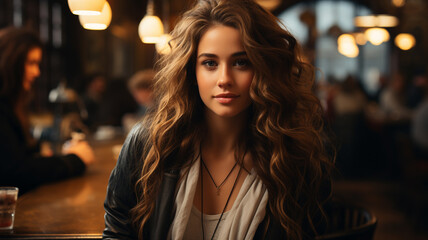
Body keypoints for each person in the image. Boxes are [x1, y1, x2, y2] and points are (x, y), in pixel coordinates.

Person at [103, 0, 334, 239]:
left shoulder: (294, 158)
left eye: (241, 62)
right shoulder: (149, 144)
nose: (224, 78)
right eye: (210, 63)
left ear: (264, 69)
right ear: (191, 71)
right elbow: (117, 232)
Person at [0, 27, 95, 195]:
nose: (37, 72)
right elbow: (15, 173)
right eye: (31, 63)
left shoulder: (11, 104)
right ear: (10, 61)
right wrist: (74, 160)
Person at [122, 69, 155, 133]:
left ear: (148, 90)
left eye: (136, 92)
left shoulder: (160, 106)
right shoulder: (144, 106)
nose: (135, 96)